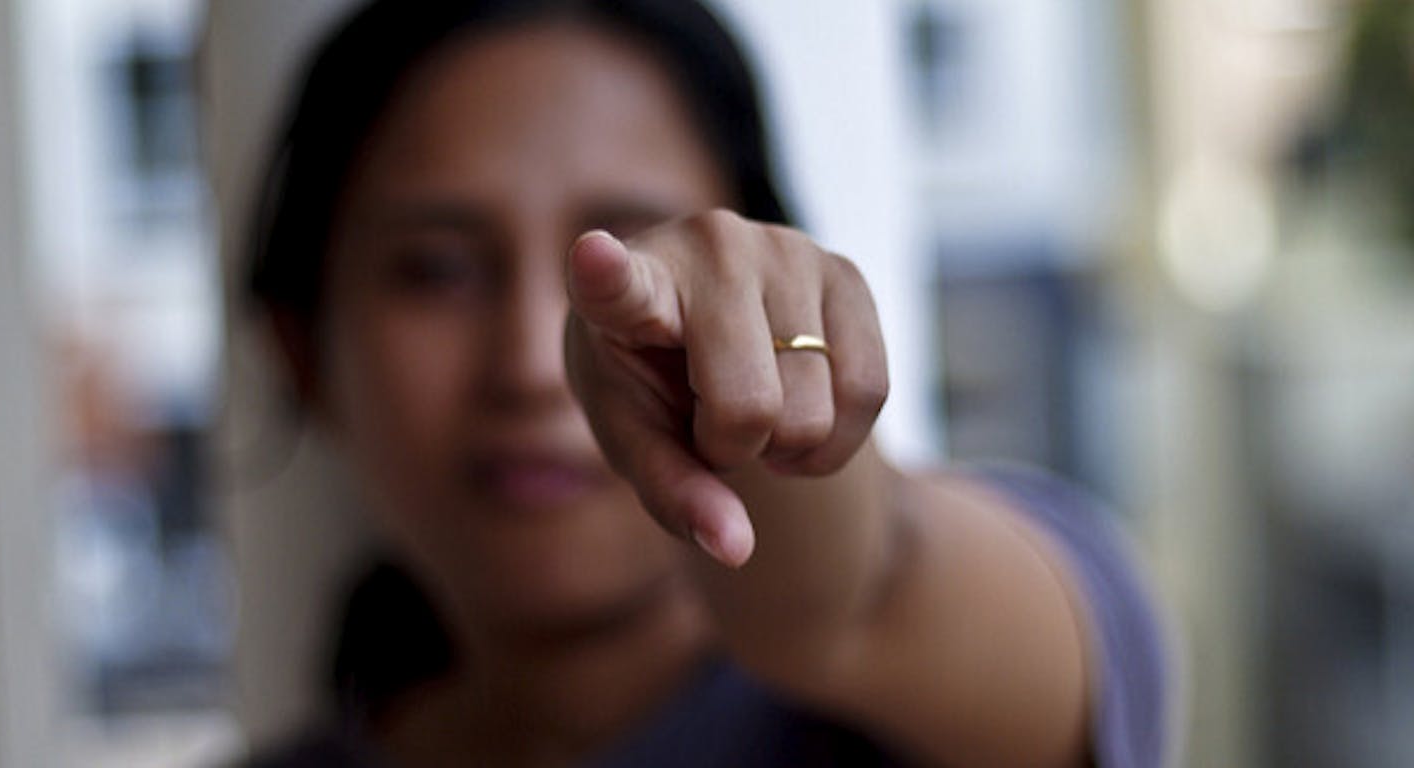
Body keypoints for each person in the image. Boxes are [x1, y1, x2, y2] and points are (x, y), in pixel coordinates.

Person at [239, 1, 1168, 765]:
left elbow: (865, 597)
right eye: (436, 270)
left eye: (644, 267)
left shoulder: (930, 682)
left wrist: (758, 422)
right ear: (301, 347)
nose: (529, 364)